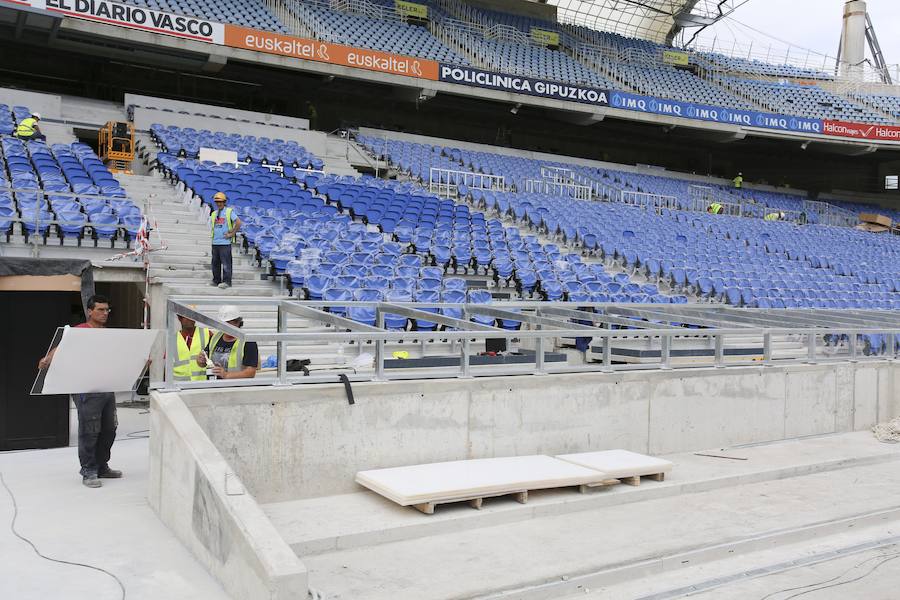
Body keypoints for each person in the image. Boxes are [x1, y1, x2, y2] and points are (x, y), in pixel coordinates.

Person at [37, 294, 121, 488]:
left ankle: (101, 466)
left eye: (107, 310)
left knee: (109, 430)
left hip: (107, 387)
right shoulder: (79, 331)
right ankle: (89, 470)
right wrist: (47, 359)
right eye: (100, 310)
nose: (104, 313)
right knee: (90, 431)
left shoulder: (109, 334)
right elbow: (59, 348)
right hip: (86, 389)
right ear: (89, 311)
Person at [197, 305, 258, 379]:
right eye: (223, 323)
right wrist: (201, 361)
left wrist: (226, 375)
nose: (224, 327)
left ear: (237, 322)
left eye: (229, 323)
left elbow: (250, 372)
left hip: (234, 387)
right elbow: (204, 362)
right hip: (213, 385)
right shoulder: (215, 337)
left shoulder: (248, 341)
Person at [210, 191, 241, 289]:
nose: (219, 204)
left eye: (221, 202)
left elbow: (238, 222)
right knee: (215, 263)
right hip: (215, 242)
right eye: (217, 202)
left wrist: (232, 233)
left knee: (226, 264)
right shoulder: (214, 213)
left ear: (224, 202)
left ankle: (227, 282)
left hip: (225, 243)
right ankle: (216, 280)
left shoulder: (229, 211)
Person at [173, 311, 209, 382]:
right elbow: (165, 364)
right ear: (180, 318)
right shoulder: (172, 338)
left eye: (193, 316)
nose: (191, 318)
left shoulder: (206, 333)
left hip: (201, 384)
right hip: (179, 385)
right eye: (187, 316)